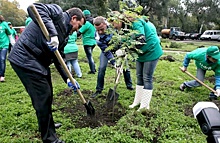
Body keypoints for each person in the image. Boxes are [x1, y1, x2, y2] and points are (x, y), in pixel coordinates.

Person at [8, 3, 85, 143]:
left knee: (47, 94)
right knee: (42, 97)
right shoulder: (58, 13)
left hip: (38, 63)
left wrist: (68, 79)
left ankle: (47, 125)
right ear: (74, 18)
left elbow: (59, 58)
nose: (76, 30)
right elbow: (34, 8)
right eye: (78, 26)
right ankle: (50, 138)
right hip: (25, 59)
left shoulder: (65, 36)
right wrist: (53, 34)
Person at [111, 12, 163, 111]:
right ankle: (137, 101)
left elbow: (141, 40)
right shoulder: (125, 28)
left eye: (113, 23)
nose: (113, 26)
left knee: (147, 77)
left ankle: (145, 106)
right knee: (139, 76)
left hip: (151, 50)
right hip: (140, 53)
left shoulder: (136, 23)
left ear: (119, 20)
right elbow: (127, 42)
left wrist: (126, 50)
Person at [91, 16, 134, 98]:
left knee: (125, 67)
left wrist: (123, 49)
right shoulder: (97, 37)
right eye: (97, 30)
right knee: (101, 68)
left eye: (101, 29)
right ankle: (98, 89)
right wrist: (114, 63)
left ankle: (129, 85)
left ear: (105, 24)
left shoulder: (114, 26)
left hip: (119, 49)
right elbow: (106, 51)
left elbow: (123, 37)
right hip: (107, 51)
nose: (100, 32)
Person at [77, 9, 96, 74]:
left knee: (89, 57)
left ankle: (92, 70)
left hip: (87, 42)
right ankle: (94, 69)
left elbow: (79, 32)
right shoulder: (93, 23)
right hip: (93, 42)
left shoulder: (86, 23)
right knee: (90, 56)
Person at [0, 15, 15, 82]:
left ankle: (2, 75)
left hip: (4, 45)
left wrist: (13, 43)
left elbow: (10, 33)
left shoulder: (4, 24)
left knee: (2, 59)